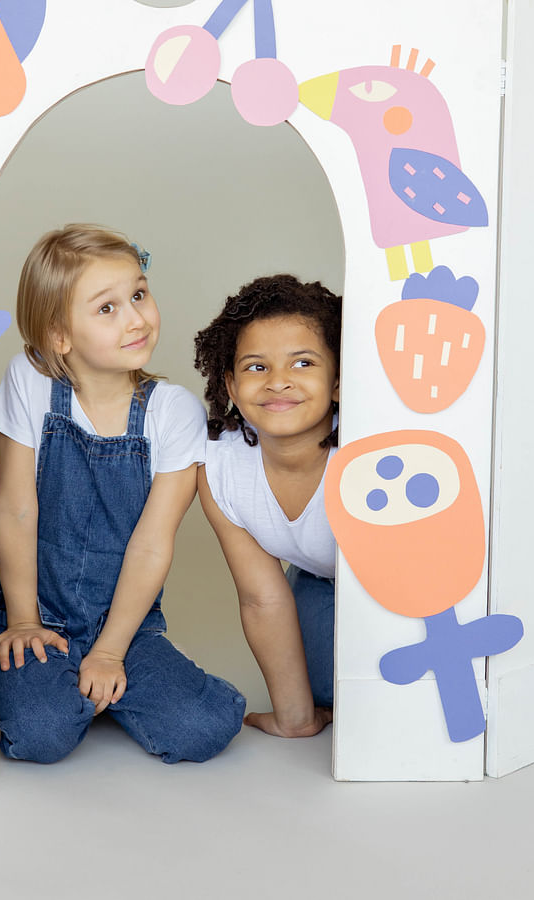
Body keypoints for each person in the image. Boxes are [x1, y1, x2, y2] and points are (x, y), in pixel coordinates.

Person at [0, 224, 245, 764]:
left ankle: (102, 677)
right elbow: (14, 508)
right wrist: (23, 621)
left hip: (128, 621)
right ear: (59, 336)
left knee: (203, 728)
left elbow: (153, 543)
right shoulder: (29, 382)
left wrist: (108, 650)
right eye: (107, 308)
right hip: (35, 609)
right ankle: (62, 686)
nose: (136, 318)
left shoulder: (173, 412)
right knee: (40, 734)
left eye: (139, 294)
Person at [194, 274, 341, 739]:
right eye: (257, 367)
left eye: (302, 363)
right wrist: (294, 719)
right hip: (320, 578)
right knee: (323, 689)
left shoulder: (368, 454)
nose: (279, 382)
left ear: (338, 382)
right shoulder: (221, 468)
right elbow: (262, 596)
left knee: (386, 688)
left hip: (397, 585)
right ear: (232, 389)